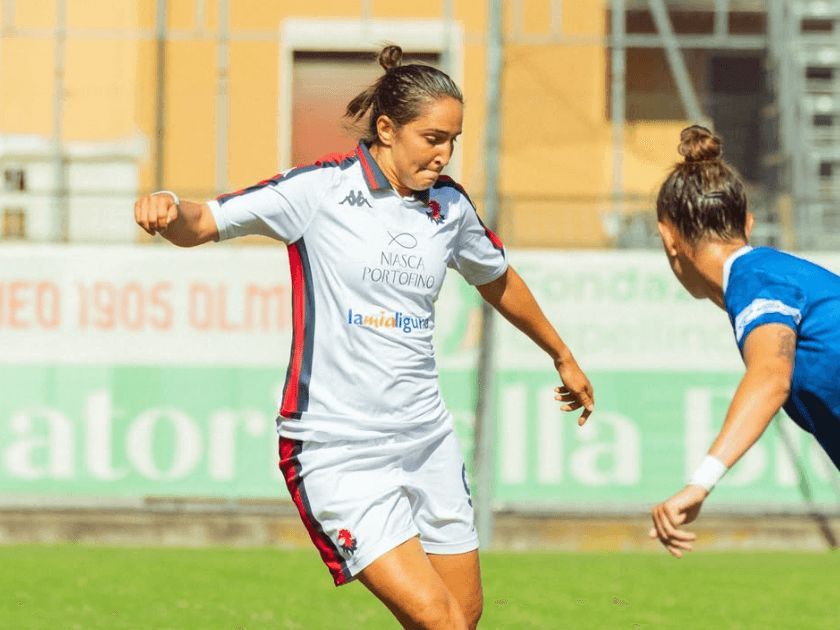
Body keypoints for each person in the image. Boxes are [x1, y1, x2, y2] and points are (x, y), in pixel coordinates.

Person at [134, 45, 594, 629]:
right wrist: (168, 207)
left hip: (426, 442)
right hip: (338, 449)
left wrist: (563, 355)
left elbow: (497, 277)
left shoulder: (449, 208)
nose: (445, 153)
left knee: (461, 620)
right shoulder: (319, 191)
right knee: (441, 622)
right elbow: (204, 222)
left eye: (453, 139)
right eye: (432, 138)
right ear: (386, 128)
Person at [649, 125, 840, 558]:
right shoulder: (771, 274)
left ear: (668, 237)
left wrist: (701, 482)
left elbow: (771, 378)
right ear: (747, 224)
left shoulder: (757, 280)